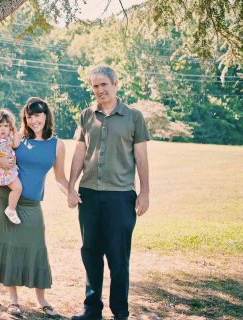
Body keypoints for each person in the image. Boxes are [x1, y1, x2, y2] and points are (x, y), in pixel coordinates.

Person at [67, 65, 151, 320]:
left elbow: (141, 156)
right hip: (89, 194)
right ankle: (92, 310)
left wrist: (145, 191)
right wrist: (71, 186)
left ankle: (120, 312)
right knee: (90, 253)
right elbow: (80, 152)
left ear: (116, 84)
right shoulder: (86, 115)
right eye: (95, 86)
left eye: (104, 84)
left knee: (118, 257)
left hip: (120, 196)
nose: (100, 90)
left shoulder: (134, 116)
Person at [0, 97, 70, 317]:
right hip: (5, 199)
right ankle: (13, 300)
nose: (34, 120)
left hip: (31, 204)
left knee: (36, 247)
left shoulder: (57, 144)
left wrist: (72, 192)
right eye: (29, 116)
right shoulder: (17, 138)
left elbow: (60, 177)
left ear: (46, 115)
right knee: (9, 247)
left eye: (38, 115)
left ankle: (42, 299)